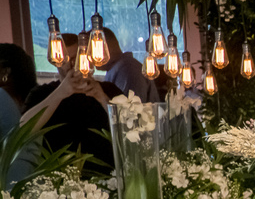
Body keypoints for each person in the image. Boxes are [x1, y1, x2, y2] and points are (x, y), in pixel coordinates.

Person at [22, 34, 122, 173]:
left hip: (107, 177)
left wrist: (102, 98)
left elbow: (128, 129)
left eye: (76, 58)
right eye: (65, 60)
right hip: (59, 182)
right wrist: (60, 93)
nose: (71, 65)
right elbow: (22, 129)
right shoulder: (42, 93)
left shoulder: (109, 89)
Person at [97, 27, 156, 102]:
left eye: (91, 49)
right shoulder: (118, 69)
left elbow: (133, 110)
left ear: (105, 46)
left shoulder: (129, 70)